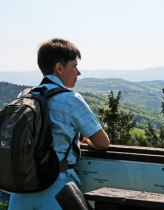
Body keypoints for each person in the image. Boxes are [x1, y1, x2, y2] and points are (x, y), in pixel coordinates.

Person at [8, 38, 110, 210]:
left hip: (20, 191)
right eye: (74, 66)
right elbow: (102, 142)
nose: (78, 72)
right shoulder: (71, 100)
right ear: (59, 68)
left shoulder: (24, 96)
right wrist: (87, 141)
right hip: (58, 189)